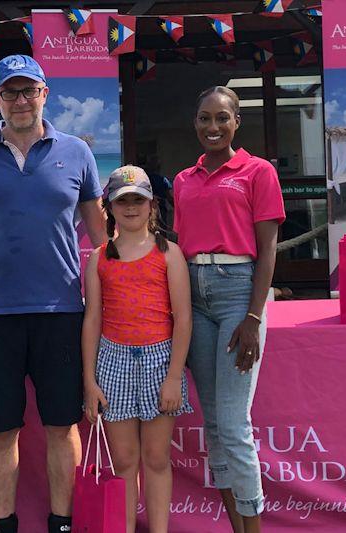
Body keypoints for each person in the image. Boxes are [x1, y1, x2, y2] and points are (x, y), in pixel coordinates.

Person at [0, 54, 106, 533]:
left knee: (62, 425)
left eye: (28, 90)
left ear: (44, 95)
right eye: (9, 91)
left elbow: (100, 236)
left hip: (61, 312)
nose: (19, 100)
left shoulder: (77, 152)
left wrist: (121, 295)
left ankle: (62, 523)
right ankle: (2, 524)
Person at [174, 86, 284, 533]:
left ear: (237, 122)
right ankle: (236, 527)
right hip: (194, 296)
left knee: (236, 424)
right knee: (215, 424)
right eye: (204, 118)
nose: (212, 127)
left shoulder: (257, 172)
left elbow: (268, 247)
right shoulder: (184, 179)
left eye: (222, 118)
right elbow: (180, 249)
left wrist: (254, 317)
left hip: (239, 292)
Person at [82, 165, 192, 533]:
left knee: (157, 457)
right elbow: (93, 320)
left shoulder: (170, 254)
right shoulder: (99, 258)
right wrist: (89, 381)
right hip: (113, 363)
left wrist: (174, 376)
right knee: (125, 460)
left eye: (138, 200)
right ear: (109, 207)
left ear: (152, 206)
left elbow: (183, 318)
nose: (131, 207)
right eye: (122, 201)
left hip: (161, 361)